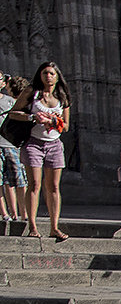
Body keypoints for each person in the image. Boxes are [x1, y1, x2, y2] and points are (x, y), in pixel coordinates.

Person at [11, 61, 71, 241]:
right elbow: (13, 113)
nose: (48, 76)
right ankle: (32, 226)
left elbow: (66, 126)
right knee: (34, 185)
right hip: (33, 143)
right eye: (45, 73)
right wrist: (32, 117)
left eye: (52, 73)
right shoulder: (32, 93)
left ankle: (54, 227)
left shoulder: (62, 96)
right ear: (40, 75)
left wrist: (54, 122)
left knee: (53, 187)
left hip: (54, 144)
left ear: (57, 76)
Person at [0, 74, 29, 224]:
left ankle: (23, 213)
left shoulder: (11, 101)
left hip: (11, 145)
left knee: (18, 180)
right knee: (2, 182)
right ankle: (7, 213)